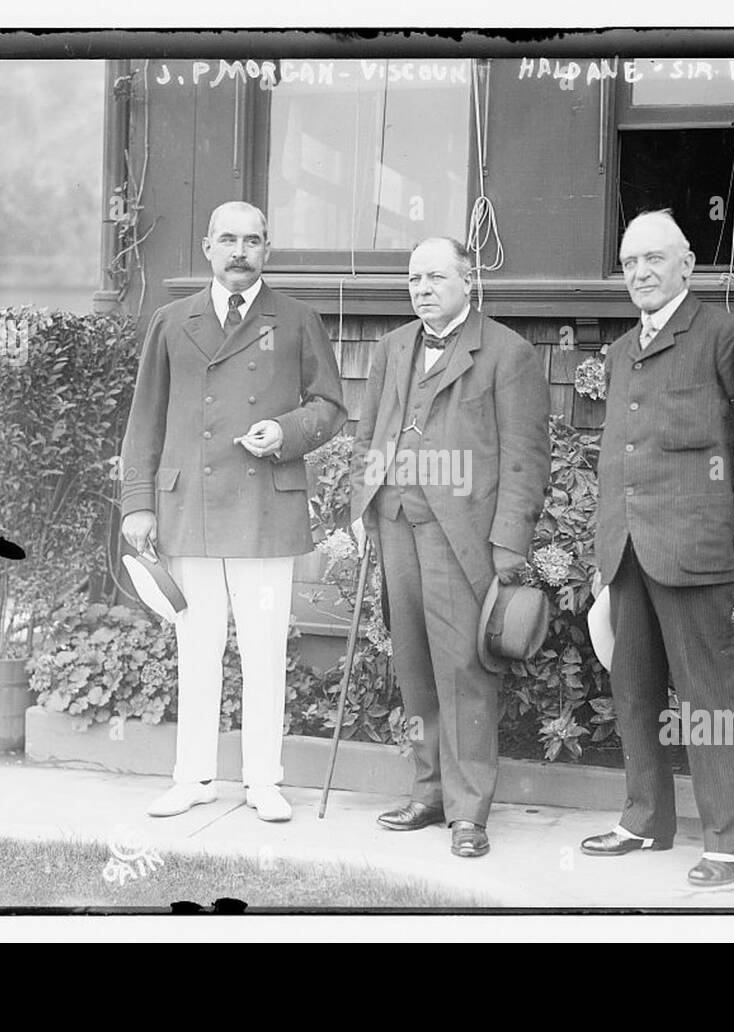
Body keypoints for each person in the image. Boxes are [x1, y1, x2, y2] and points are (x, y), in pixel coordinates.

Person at [583, 210, 734, 887]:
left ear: (688, 265)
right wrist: (601, 551)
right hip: (626, 553)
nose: (640, 273)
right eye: (629, 263)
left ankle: (730, 843)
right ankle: (645, 819)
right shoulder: (621, 351)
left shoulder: (722, 335)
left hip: (695, 552)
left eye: (653, 259)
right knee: (634, 691)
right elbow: (619, 455)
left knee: (707, 702)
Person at [120, 200, 345, 822]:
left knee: (265, 648)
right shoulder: (172, 320)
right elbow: (145, 420)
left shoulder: (295, 319)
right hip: (188, 508)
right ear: (207, 247)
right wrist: (138, 504)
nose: (240, 250)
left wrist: (286, 429)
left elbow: (330, 404)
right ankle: (192, 777)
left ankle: (262, 781)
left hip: (263, 510)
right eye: (228, 239)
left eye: (253, 240)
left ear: (267, 249)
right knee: (196, 647)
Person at [350, 237, 550, 858]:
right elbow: (369, 435)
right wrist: (362, 505)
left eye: (436, 276)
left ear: (469, 281)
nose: (423, 288)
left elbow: (525, 458)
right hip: (395, 525)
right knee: (413, 666)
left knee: (464, 671)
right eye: (414, 278)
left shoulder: (507, 354)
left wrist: (509, 545)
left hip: (461, 539)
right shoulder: (391, 348)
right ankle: (429, 791)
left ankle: (469, 812)